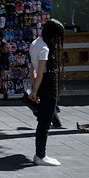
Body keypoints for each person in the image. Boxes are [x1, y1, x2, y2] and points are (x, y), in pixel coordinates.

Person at [28, 19, 65, 166]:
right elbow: (41, 73)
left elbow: (33, 68)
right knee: (44, 123)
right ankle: (40, 155)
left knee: (43, 120)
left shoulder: (35, 43)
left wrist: (33, 86)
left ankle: (40, 154)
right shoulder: (45, 48)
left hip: (42, 86)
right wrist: (35, 91)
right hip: (47, 86)